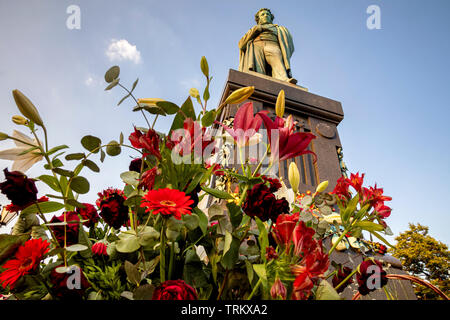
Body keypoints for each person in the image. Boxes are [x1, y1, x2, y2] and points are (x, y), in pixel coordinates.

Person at [238, 8, 297, 84]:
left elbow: (289, 45)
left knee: (277, 60)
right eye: (263, 14)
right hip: (256, 45)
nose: (266, 15)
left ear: (271, 17)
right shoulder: (254, 28)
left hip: (272, 44)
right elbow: (241, 44)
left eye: (267, 14)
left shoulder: (279, 29)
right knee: (258, 71)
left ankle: (283, 79)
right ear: (258, 19)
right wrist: (257, 29)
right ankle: (257, 82)